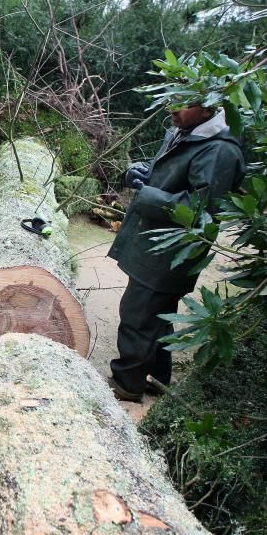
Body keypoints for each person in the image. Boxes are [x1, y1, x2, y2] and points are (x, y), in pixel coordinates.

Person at [107, 103, 246, 402]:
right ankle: (158, 380)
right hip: (154, 242)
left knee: (138, 314)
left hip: (172, 250)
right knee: (158, 314)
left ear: (208, 108)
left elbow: (204, 209)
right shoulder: (186, 131)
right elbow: (166, 170)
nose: (172, 109)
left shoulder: (220, 150)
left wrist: (147, 195)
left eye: (182, 104)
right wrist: (138, 170)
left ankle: (127, 383)